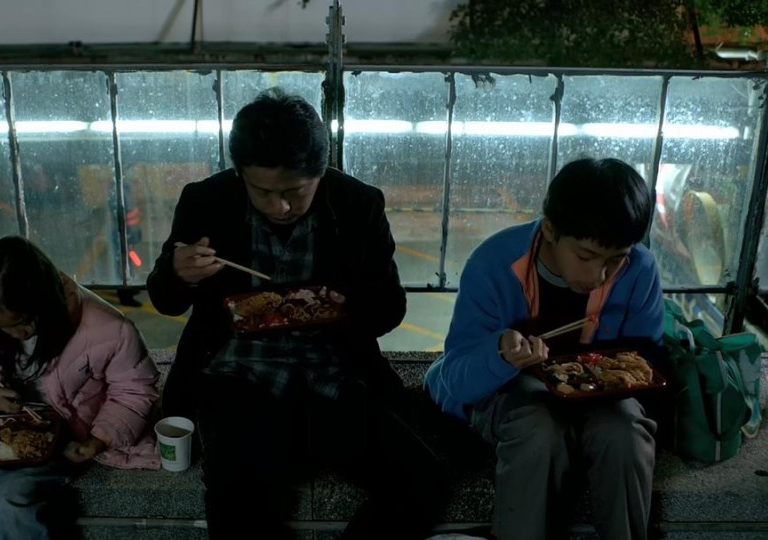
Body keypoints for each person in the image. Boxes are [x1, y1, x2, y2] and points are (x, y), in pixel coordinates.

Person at [147, 88, 448, 539]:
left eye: (295, 192)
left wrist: (347, 307)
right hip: (235, 372)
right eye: (263, 192)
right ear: (240, 174)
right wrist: (178, 272)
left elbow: (390, 308)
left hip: (333, 368)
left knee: (423, 481)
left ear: (320, 173)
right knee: (238, 502)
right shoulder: (206, 201)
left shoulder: (357, 204)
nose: (281, 207)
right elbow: (165, 300)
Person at [425, 158, 664, 540]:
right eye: (585, 256)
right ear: (550, 229)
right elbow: (454, 381)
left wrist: (623, 377)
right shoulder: (494, 263)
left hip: (601, 401)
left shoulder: (641, 268)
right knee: (536, 426)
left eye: (616, 259)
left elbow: (646, 361)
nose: (598, 275)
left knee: (626, 433)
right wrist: (500, 353)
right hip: (514, 399)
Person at [0, 236, 160, 540]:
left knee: (7, 504)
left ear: (45, 301)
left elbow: (135, 390)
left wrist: (99, 440)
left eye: (22, 322)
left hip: (60, 435)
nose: (16, 333)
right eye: (2, 327)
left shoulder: (109, 329)